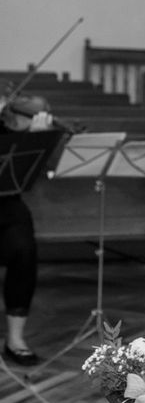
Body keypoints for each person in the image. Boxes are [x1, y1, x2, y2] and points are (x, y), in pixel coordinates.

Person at [0, 92, 53, 366]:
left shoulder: (7, 119)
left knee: (23, 247)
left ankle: (15, 338)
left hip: (5, 200)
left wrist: (37, 138)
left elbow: (23, 172)